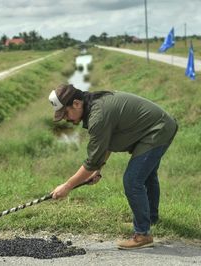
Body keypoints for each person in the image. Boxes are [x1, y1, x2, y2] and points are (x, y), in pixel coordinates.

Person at [49, 84, 178, 250]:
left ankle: (143, 235)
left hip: (157, 130)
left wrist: (67, 186)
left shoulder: (98, 115)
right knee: (147, 176)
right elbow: (106, 144)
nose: (66, 119)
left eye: (65, 113)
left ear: (76, 103)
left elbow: (92, 160)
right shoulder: (94, 106)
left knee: (132, 181)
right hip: (159, 126)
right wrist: (98, 170)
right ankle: (148, 218)